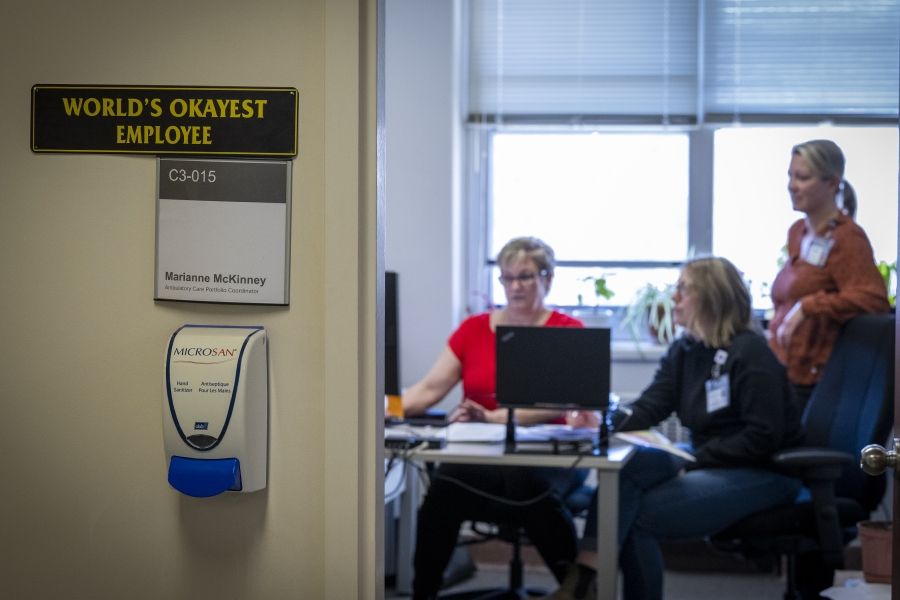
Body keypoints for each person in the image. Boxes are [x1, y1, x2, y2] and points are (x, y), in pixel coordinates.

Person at [545, 257, 805, 600]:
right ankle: (586, 574)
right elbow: (651, 406)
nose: (673, 299)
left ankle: (583, 580)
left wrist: (693, 461)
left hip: (762, 471)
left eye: (683, 289)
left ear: (710, 297)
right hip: (708, 460)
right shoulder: (685, 350)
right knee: (633, 466)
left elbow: (763, 437)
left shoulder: (750, 353)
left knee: (636, 516)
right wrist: (604, 422)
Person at [403, 236, 586, 599]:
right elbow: (426, 391)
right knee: (444, 489)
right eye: (508, 278)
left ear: (547, 279)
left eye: (526, 277)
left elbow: (560, 404)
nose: (515, 287)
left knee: (528, 486)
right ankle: (424, 592)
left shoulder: (567, 332)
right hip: (482, 454)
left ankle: (577, 589)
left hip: (550, 457)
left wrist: (492, 418)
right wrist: (375, 408)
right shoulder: (474, 330)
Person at [769, 139, 889, 409]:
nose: (791, 185)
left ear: (832, 183)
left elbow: (873, 299)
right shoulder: (797, 232)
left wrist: (808, 306)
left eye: (802, 177)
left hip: (815, 381)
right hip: (784, 369)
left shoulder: (848, 238)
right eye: (790, 175)